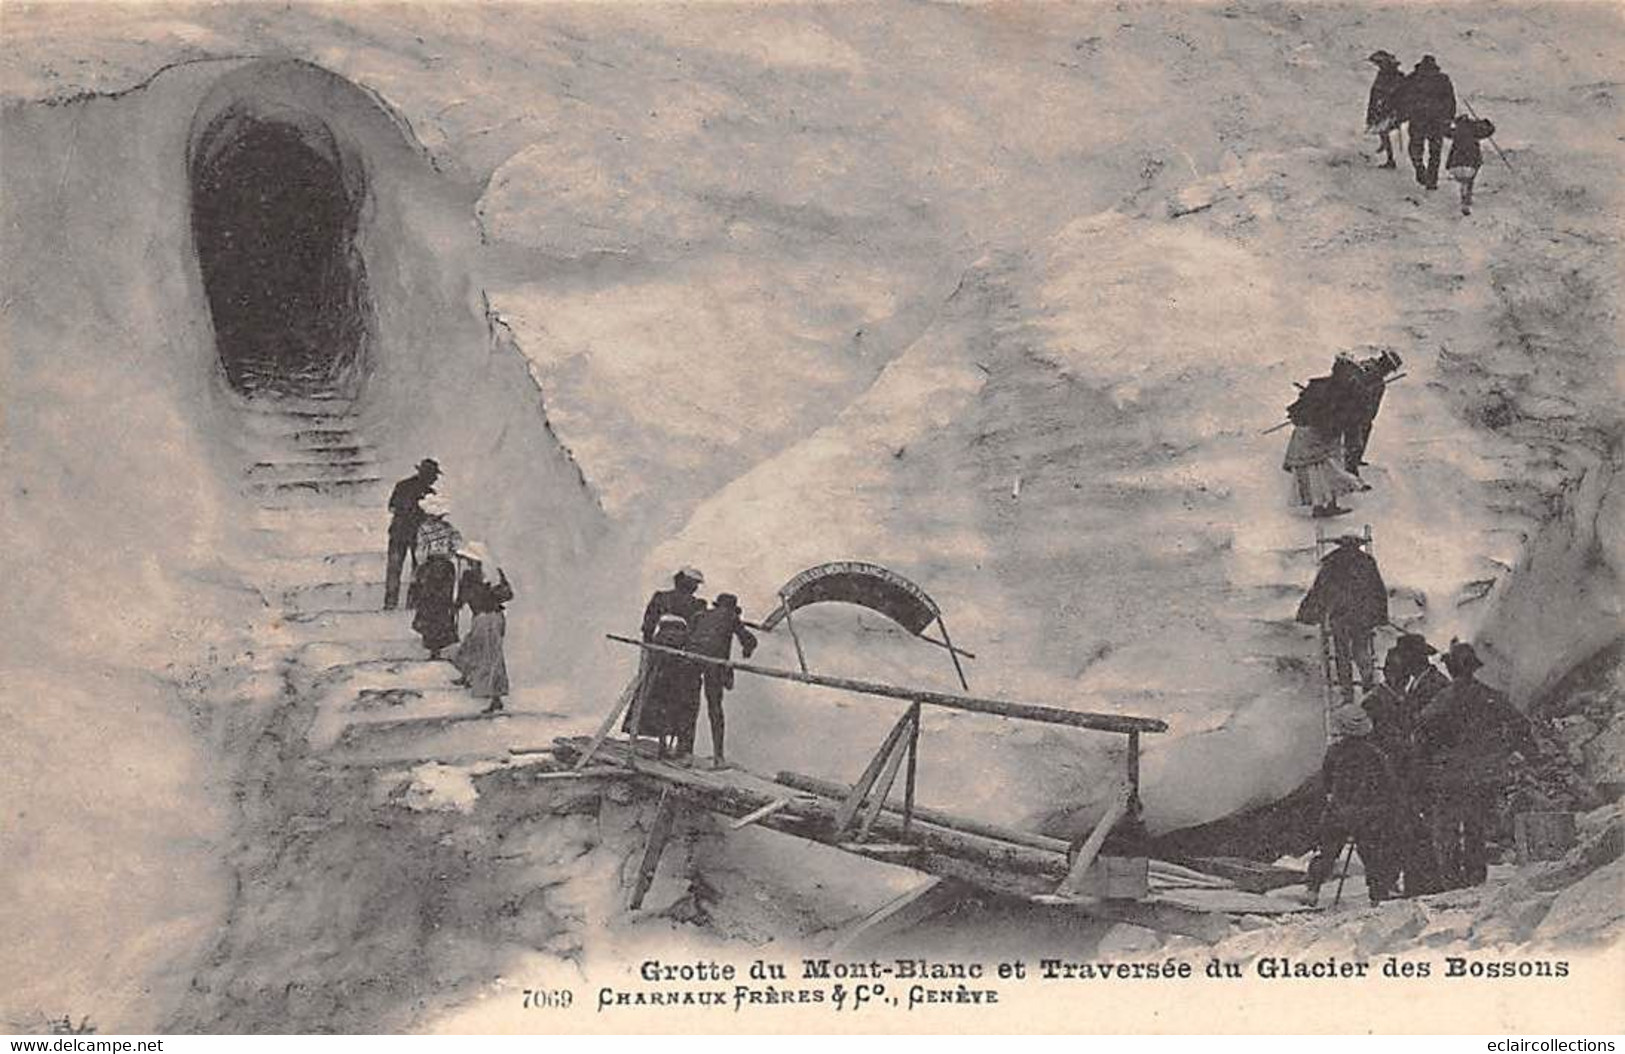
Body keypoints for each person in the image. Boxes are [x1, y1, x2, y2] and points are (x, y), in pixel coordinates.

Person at [1416, 641, 1538, 890]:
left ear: (1451, 670)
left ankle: (1451, 880)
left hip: (1449, 774)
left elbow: (1422, 733)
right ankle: (1474, 877)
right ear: (1473, 668)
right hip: (1482, 773)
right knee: (1475, 827)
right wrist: (1508, 750)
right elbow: (1521, 726)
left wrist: (1426, 764)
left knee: (1446, 828)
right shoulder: (1490, 696)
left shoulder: (1442, 700)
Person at [1304, 706, 1405, 907]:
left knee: (1327, 852)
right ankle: (1378, 893)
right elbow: (1388, 783)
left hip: (1338, 810)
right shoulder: (1375, 754)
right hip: (1368, 812)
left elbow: (1325, 781)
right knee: (1373, 853)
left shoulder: (1334, 752)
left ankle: (1312, 890)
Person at [1297, 534, 1388, 704]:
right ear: (1357, 546)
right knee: (1361, 650)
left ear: (1340, 546)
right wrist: (1380, 616)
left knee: (1342, 654)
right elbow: (1378, 590)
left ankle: (1347, 694)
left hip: (1341, 616)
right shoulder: (1366, 562)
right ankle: (1368, 683)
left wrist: (1308, 612)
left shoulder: (1332, 562)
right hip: (1361, 616)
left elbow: (1319, 590)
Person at [686, 593, 759, 768]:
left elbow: (690, 636)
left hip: (692, 660)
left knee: (690, 705)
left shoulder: (700, 615)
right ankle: (719, 757)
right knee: (715, 708)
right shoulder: (730, 616)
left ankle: (686, 752)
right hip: (714, 664)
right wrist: (747, 651)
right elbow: (749, 639)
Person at [1282, 371, 1365, 517]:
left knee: (1322, 472)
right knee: (1324, 471)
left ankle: (1324, 506)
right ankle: (1322, 507)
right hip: (1312, 438)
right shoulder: (1334, 392)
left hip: (1310, 437)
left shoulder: (1321, 385)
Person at [623, 613, 704, 759]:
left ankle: (660, 746)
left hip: (659, 680)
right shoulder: (682, 636)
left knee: (659, 712)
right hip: (673, 681)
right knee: (672, 713)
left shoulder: (660, 637)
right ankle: (666, 748)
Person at [453, 542, 514, 714]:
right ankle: (469, 676)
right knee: (472, 647)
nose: (465, 560)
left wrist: (458, 604)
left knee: (490, 656)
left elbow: (507, 594)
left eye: (467, 558)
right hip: (486, 617)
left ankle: (495, 698)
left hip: (488, 618)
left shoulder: (485, 576)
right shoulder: (487, 574)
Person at [1333, 349, 1403, 476]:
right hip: (1351, 411)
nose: (1388, 372)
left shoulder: (1377, 376)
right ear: (1384, 362)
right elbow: (1354, 388)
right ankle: (1351, 469)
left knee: (1365, 431)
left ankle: (1356, 459)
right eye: (1389, 368)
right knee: (1355, 440)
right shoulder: (1369, 370)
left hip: (1361, 414)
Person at [408, 495, 460, 658]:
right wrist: (448, 553)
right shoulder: (449, 528)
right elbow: (457, 545)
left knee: (429, 603)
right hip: (446, 568)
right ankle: (440, 642)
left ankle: (432, 644)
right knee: (443, 603)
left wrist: (418, 570)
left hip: (430, 568)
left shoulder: (423, 529)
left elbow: (420, 553)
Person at [384, 458, 439, 609]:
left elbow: (392, 507)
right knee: (417, 569)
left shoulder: (402, 486)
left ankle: (391, 602)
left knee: (395, 569)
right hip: (414, 535)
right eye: (433, 475)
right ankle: (412, 603)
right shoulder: (429, 493)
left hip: (399, 532)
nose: (435, 479)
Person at [1399, 54, 1456, 190]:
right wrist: (1448, 118)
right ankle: (1432, 180)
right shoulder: (1443, 79)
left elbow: (1402, 97)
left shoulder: (1413, 78)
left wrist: (1403, 113)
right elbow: (1450, 101)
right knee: (1435, 152)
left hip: (1419, 119)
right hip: (1436, 121)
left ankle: (1420, 168)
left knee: (1416, 148)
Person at [1445, 112, 1496, 215]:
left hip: (1455, 166)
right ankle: (1466, 199)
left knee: (1463, 179)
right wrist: (1484, 122)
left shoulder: (1456, 131)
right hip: (1470, 165)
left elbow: (1444, 131)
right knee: (1470, 177)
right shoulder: (1475, 130)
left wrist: (1451, 122)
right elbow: (1490, 130)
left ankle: (1464, 193)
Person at [1365, 51, 1407, 169]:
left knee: (1383, 129)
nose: (1378, 65)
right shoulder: (1386, 74)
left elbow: (1393, 91)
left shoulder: (1393, 76)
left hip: (1390, 108)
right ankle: (1386, 149)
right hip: (1384, 106)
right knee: (1382, 129)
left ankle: (1390, 158)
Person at [641, 566, 707, 640]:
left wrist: (647, 642)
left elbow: (649, 624)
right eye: (695, 583)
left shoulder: (661, 597)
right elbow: (649, 623)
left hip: (669, 642)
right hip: (679, 644)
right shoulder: (697, 605)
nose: (696, 587)